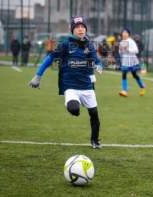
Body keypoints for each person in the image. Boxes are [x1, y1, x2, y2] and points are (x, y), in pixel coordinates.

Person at [29, 15, 103, 149]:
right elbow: (50, 58)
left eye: (83, 27)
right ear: (72, 30)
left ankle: (95, 140)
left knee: (94, 114)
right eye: (77, 27)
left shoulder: (89, 45)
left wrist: (99, 65)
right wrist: (38, 76)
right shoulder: (65, 45)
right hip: (70, 86)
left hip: (86, 86)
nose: (81, 30)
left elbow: (96, 59)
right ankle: (77, 105)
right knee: (74, 109)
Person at [118, 28, 146, 97]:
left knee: (134, 75)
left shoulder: (131, 41)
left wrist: (127, 49)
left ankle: (142, 86)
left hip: (133, 61)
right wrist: (121, 50)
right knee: (124, 74)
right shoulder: (122, 42)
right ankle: (125, 91)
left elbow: (136, 51)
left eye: (126, 33)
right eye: (123, 33)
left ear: (128, 34)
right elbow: (120, 52)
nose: (124, 34)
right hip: (125, 61)